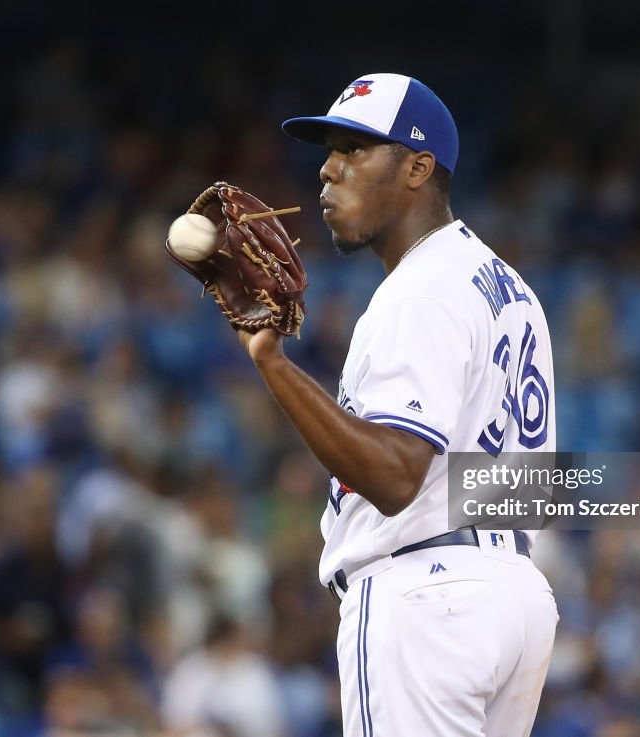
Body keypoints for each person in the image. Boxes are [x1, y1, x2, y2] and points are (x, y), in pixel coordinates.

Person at [237, 73, 558, 737]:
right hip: (514, 593)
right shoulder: (508, 286)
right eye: (329, 151)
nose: (327, 169)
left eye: (355, 149)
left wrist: (271, 362)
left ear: (418, 167)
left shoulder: (419, 291)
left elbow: (393, 477)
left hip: (425, 597)